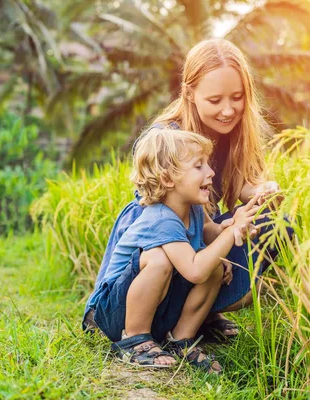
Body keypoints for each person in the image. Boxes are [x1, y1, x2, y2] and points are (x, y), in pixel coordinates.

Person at [84, 38, 288, 341]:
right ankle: (145, 326)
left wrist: (265, 191)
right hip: (163, 240)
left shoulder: (231, 134)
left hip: (196, 229)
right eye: (215, 100)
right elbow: (166, 219)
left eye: (237, 97)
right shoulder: (166, 140)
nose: (229, 110)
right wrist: (219, 243)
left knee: (274, 222)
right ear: (190, 93)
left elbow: (239, 184)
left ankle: (200, 314)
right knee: (175, 257)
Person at [89, 127, 261, 372]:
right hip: (113, 312)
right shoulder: (161, 218)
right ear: (168, 179)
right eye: (198, 166)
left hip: (156, 306)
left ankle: (180, 340)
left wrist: (230, 226)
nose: (211, 172)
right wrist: (230, 237)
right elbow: (193, 271)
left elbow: (209, 231)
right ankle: (134, 339)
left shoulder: (192, 207)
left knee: (213, 265)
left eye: (208, 164)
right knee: (160, 260)